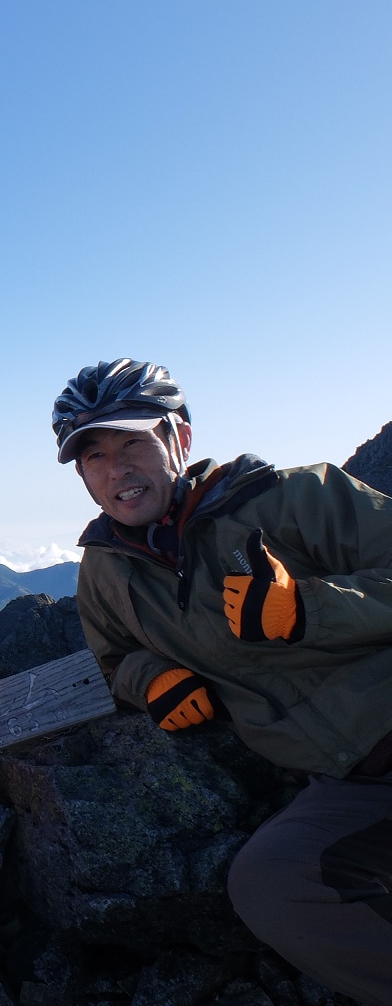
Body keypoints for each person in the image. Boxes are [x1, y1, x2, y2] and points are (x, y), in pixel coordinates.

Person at [54, 358, 392, 1003]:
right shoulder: (105, 571)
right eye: (94, 455)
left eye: (132, 443)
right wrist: (150, 679)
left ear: (179, 437)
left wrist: (310, 610)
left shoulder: (292, 498)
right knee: (272, 883)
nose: (116, 469)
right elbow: (113, 658)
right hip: (350, 786)